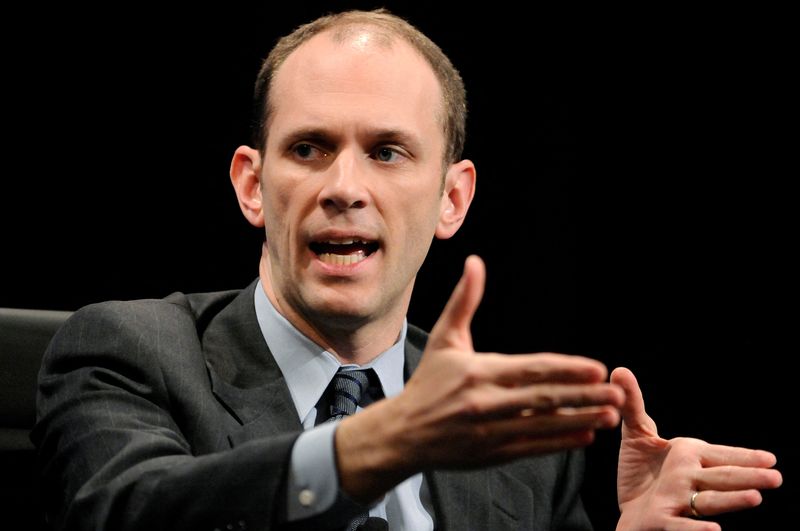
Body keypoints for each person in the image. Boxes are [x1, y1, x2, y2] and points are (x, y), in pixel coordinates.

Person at [32, 8, 782, 531]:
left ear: (452, 198)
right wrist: (383, 441)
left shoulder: (517, 444)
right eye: (309, 148)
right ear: (251, 184)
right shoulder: (129, 351)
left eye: (387, 152)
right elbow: (126, 514)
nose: (344, 187)